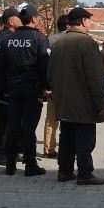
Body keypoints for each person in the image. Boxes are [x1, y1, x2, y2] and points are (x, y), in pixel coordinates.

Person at [49, 7, 104, 186]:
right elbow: (96, 77)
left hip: (63, 100)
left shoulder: (59, 42)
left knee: (66, 137)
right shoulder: (87, 43)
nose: (90, 23)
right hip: (83, 103)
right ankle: (85, 173)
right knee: (85, 140)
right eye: (89, 20)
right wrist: (101, 104)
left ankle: (64, 171)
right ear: (83, 21)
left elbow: (50, 73)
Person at [0, 3, 49, 177]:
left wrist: (1, 89)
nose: (39, 20)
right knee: (29, 128)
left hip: (12, 89)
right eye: (38, 17)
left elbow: (0, 67)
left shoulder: (9, 38)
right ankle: (30, 164)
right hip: (32, 89)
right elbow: (45, 66)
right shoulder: (39, 39)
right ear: (33, 19)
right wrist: (48, 87)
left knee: (14, 125)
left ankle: (10, 164)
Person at [0, 7, 21, 165]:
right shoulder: (4, 38)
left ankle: (8, 151)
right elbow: (1, 64)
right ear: (11, 20)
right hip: (4, 87)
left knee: (10, 121)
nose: (21, 20)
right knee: (5, 122)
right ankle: (0, 154)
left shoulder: (10, 36)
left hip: (7, 85)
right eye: (18, 18)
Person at [43, 15, 69, 158]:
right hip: (70, 87)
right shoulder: (73, 41)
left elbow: (45, 64)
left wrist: (47, 84)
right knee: (70, 120)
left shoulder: (49, 40)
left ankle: (49, 149)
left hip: (53, 86)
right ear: (68, 26)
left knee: (51, 120)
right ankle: (70, 150)